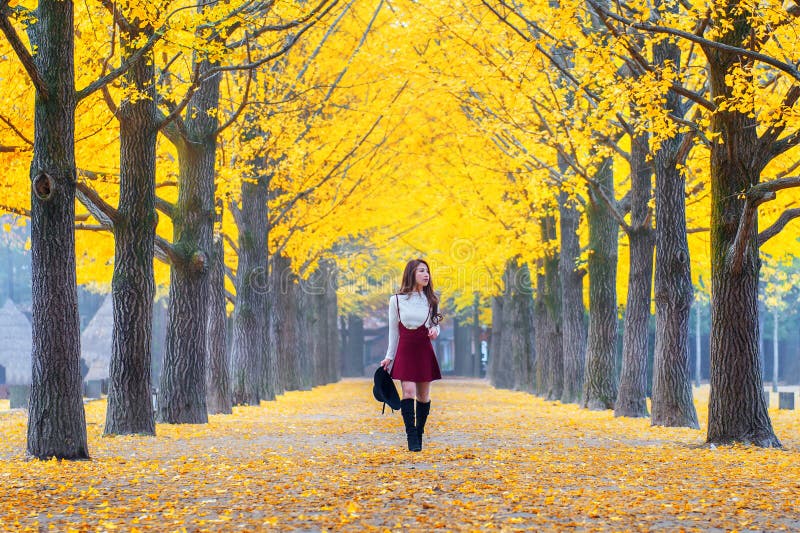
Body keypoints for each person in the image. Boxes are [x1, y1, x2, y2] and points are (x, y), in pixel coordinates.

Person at [380, 258, 442, 452]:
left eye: (427, 271)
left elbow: (434, 324)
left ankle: (420, 432)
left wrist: (435, 331)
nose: (426, 274)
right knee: (408, 392)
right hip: (405, 349)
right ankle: (411, 436)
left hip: (424, 349)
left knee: (424, 397)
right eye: (421, 271)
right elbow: (393, 331)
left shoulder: (431, 300)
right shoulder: (396, 300)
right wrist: (389, 357)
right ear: (411, 274)